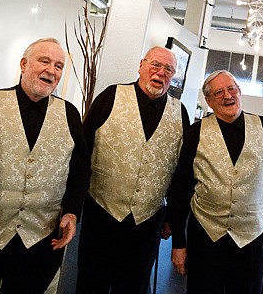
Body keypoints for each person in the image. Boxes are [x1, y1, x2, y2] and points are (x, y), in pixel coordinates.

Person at [0, 38, 90, 294]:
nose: (52, 70)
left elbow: (80, 171)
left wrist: (71, 212)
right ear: (23, 64)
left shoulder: (70, 115)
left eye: (58, 66)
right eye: (44, 61)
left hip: (40, 240)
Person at [167, 70, 263, 294]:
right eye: (218, 92)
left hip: (250, 239)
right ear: (209, 101)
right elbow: (180, 189)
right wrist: (179, 243)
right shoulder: (194, 133)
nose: (227, 95)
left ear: (239, 92)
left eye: (231, 89)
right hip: (205, 236)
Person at [76, 46, 190, 294]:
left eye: (168, 69)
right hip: (101, 213)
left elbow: (182, 172)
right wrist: (73, 204)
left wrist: (173, 217)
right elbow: (82, 152)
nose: (160, 73)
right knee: (90, 284)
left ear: (173, 76)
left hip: (147, 223)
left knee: (132, 287)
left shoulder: (180, 112)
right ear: (141, 66)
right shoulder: (110, 96)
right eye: (155, 65)